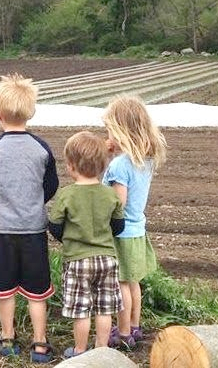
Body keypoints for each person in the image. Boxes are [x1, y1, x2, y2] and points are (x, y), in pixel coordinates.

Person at [0, 73, 59, 363]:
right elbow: (51, 186)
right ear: (31, 112)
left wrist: (1, 203)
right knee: (37, 292)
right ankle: (40, 343)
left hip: (1, 229)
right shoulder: (42, 148)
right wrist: (33, 203)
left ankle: (8, 338)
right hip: (34, 230)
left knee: (4, 288)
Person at [48, 131, 126, 359]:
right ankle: (101, 350)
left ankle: (80, 350)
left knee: (81, 309)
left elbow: (54, 224)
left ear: (71, 166)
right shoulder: (110, 195)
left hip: (77, 259)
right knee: (104, 308)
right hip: (107, 259)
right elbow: (118, 225)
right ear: (103, 165)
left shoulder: (66, 195)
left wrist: (69, 238)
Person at [101, 95, 167, 350]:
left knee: (121, 284)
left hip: (122, 233)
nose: (107, 136)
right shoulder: (144, 161)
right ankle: (135, 326)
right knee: (133, 281)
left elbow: (118, 204)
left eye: (109, 130)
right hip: (138, 228)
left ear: (121, 131)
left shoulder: (120, 165)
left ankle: (124, 333)